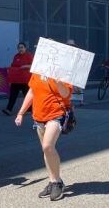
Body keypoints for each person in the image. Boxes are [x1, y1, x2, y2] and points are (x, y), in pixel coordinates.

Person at [14, 73, 72, 201]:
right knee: (46, 150)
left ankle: (57, 182)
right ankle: (52, 182)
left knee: (47, 146)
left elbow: (66, 94)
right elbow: (31, 92)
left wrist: (58, 82)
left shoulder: (63, 73)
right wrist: (21, 113)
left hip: (56, 114)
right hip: (39, 116)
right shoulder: (37, 72)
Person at [1, 42, 33, 116]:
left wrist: (25, 66)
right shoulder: (16, 56)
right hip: (16, 80)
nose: (20, 49)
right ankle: (9, 109)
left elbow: (33, 65)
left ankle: (30, 109)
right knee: (13, 95)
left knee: (27, 96)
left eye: (22, 47)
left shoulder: (29, 56)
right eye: (19, 48)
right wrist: (8, 69)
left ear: (25, 48)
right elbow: (13, 66)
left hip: (25, 80)